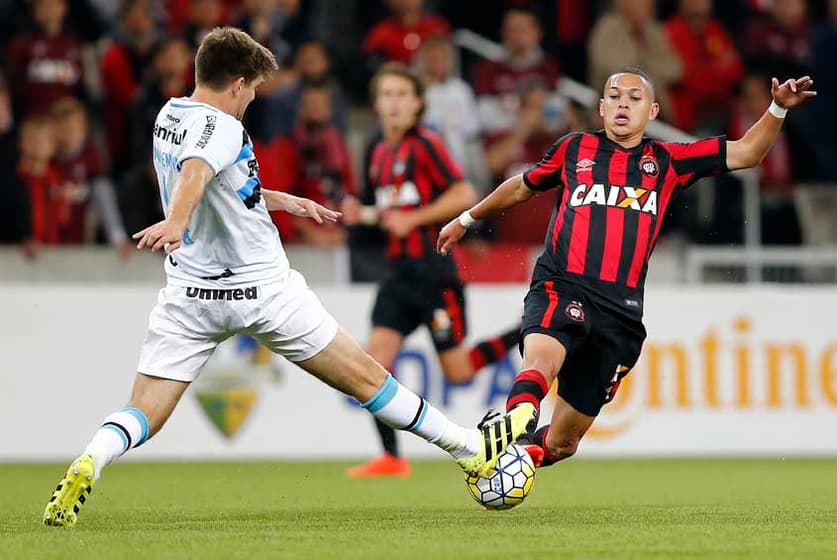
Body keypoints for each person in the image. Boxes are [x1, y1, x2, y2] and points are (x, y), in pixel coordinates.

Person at [42, 27, 533, 528]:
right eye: (252, 87)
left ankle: (91, 458)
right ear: (235, 83)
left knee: (144, 408)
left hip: (190, 294)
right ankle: (470, 448)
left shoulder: (169, 115)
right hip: (263, 291)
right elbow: (196, 172)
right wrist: (178, 219)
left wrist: (277, 198)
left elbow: (218, 179)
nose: (253, 96)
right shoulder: (225, 128)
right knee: (367, 378)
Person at [437, 67, 815, 470]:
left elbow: (746, 153)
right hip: (562, 284)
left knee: (563, 442)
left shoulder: (667, 160)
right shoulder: (574, 149)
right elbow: (521, 185)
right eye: (614, 96)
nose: (623, 104)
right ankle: (518, 418)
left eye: (634, 98)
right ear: (600, 108)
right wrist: (466, 219)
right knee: (541, 361)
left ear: (652, 111)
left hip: (620, 312)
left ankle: (516, 457)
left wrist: (777, 107)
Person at [341, 63, 523, 478]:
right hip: (397, 276)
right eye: (386, 94)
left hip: (433, 274)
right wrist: (362, 214)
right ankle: (391, 457)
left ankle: (524, 329)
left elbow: (464, 192)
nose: (394, 103)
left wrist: (416, 219)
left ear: (418, 103)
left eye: (402, 94)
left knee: (457, 371)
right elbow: (388, 210)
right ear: (376, 102)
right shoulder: (376, 150)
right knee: (373, 366)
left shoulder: (425, 144)